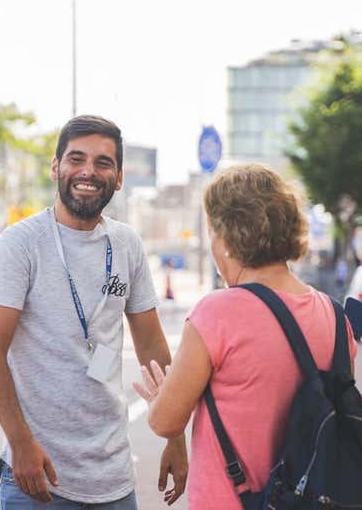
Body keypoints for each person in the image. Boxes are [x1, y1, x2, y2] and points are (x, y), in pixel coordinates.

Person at [0, 115, 187, 509]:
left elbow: (152, 345)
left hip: (114, 480)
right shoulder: (20, 244)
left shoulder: (126, 244)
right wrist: (20, 444)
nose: (88, 171)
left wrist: (176, 436)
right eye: (76, 159)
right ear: (56, 167)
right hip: (37, 477)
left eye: (103, 162)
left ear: (119, 176)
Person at [133, 164, 357, 509]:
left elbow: (166, 420)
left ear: (225, 239)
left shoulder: (219, 313)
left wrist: (156, 399)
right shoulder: (334, 315)